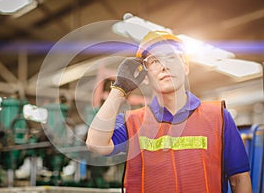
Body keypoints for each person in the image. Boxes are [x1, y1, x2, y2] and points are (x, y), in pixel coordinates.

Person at [86, 31, 252, 193]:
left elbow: (239, 179)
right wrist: (119, 88)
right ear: (144, 76)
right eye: (155, 61)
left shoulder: (219, 117)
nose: (164, 66)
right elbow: (95, 143)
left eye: (171, 57)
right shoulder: (133, 122)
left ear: (185, 67)